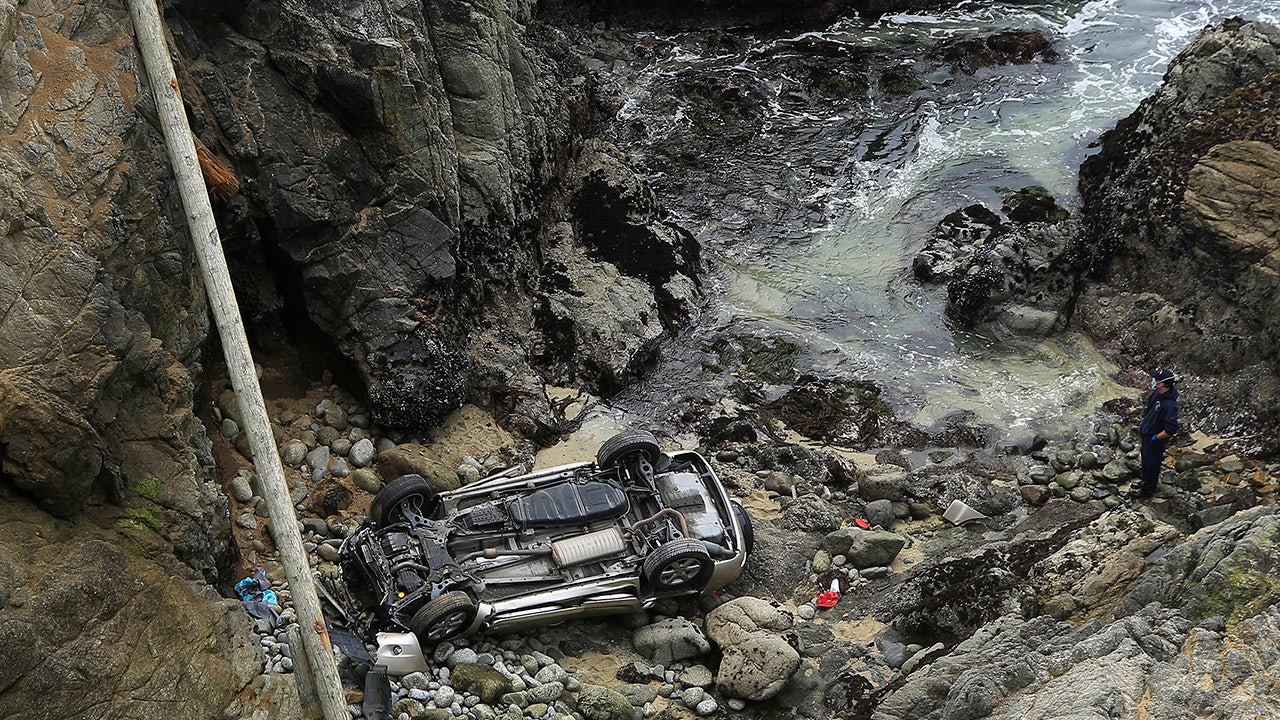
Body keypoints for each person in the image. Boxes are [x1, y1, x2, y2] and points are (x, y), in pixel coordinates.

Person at [1129, 368, 1180, 499]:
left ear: (1162, 383)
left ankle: (1148, 490)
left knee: (1152, 464)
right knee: (1145, 460)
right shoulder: (1156, 394)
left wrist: (1156, 437)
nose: (1154, 381)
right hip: (1146, 433)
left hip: (1155, 439)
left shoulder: (1170, 405)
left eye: (1156, 379)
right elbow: (1149, 411)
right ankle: (1144, 481)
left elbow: (1172, 428)